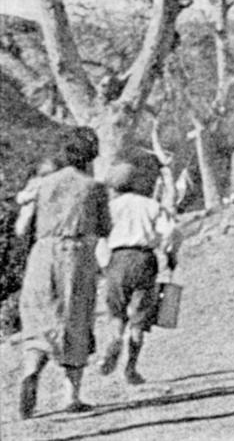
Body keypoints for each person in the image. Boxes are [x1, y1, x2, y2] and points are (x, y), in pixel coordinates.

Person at [18, 128, 111, 418]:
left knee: (39, 317)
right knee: (76, 318)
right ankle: (70, 396)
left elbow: (22, 228)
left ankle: (31, 369)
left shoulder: (43, 184)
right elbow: (105, 228)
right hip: (75, 254)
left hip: (42, 253)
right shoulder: (93, 187)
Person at [98, 158, 181, 385]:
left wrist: (105, 265)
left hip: (117, 259)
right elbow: (171, 231)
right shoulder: (150, 205)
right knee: (139, 317)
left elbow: (100, 240)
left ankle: (115, 339)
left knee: (118, 313)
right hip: (144, 259)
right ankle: (131, 369)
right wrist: (170, 255)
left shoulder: (110, 208)